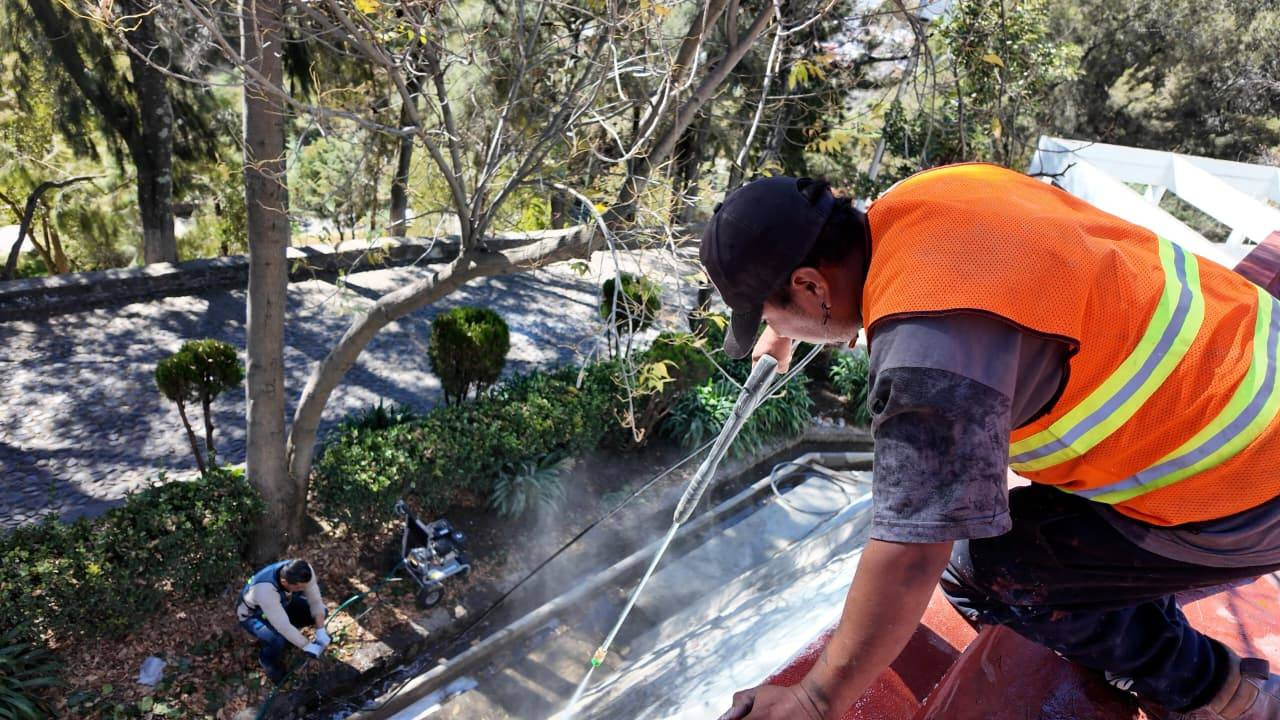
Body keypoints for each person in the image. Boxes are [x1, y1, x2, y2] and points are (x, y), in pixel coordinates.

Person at [703, 164, 1280, 720]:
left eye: (768, 314)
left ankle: (1219, 691)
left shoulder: (926, 356)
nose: (782, 331)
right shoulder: (933, 193)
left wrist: (814, 699)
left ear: (809, 285)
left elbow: (910, 559)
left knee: (985, 567)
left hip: (1250, 487)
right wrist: (784, 327)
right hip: (1253, 372)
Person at [236, 558, 330, 683]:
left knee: (322, 612)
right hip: (253, 615)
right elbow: (283, 626)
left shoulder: (304, 570)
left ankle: (291, 636)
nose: (302, 589)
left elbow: (315, 601)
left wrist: (320, 629)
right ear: (284, 582)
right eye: (298, 588)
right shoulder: (265, 590)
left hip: (282, 603)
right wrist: (306, 645)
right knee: (277, 639)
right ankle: (267, 661)